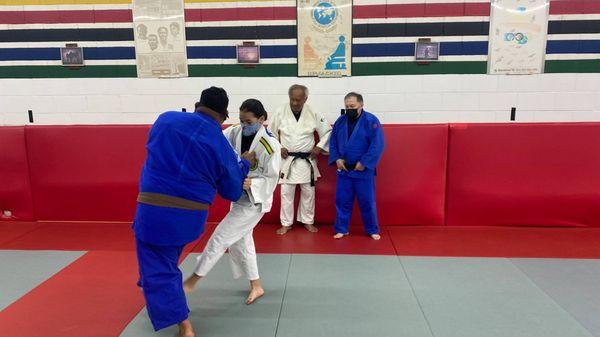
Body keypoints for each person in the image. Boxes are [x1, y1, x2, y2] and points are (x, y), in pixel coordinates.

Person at [133, 87, 254, 337]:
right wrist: (244, 164)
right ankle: (160, 291)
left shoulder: (166, 119)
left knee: (158, 266)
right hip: (190, 220)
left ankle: (183, 324)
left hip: (154, 212)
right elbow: (231, 191)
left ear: (197, 104)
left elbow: (152, 147)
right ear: (224, 115)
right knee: (162, 262)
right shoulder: (221, 144)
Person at [183, 99, 281, 304]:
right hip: (238, 198)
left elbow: (272, 178)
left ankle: (192, 280)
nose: (244, 125)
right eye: (241, 120)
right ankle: (256, 285)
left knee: (220, 238)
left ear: (261, 119)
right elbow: (216, 143)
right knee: (243, 242)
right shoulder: (234, 132)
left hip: (254, 202)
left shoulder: (269, 145)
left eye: (248, 121)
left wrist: (251, 183)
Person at [268, 84, 331, 235]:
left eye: (298, 100)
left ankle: (308, 221)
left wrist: (319, 147)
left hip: (306, 159)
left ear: (305, 99)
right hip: (287, 159)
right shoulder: (280, 111)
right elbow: (270, 132)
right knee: (286, 192)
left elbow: (328, 131)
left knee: (308, 192)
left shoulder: (313, 112)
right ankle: (286, 223)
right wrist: (278, 147)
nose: (295, 103)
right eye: (292, 99)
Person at [328, 92, 385, 240]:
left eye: (352, 106)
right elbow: (333, 142)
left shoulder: (371, 121)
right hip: (344, 169)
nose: (349, 109)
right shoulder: (340, 121)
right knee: (342, 201)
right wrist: (337, 159)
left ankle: (372, 229)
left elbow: (377, 145)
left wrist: (364, 162)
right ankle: (341, 229)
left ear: (361, 104)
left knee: (367, 201)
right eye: (347, 106)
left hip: (363, 171)